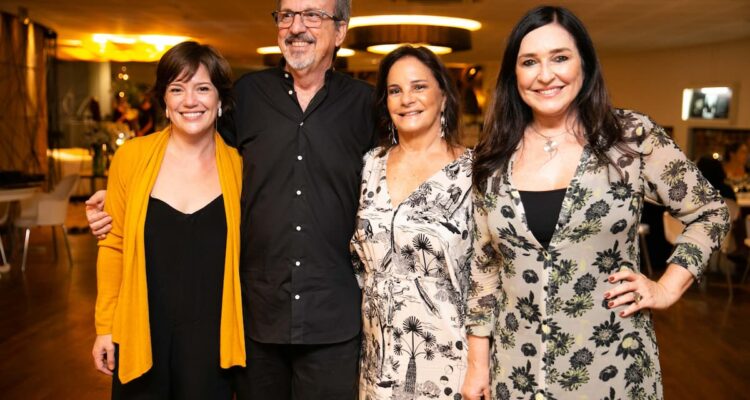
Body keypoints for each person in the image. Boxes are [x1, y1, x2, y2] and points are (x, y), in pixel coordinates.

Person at [88, 0, 372, 398]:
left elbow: (394, 177)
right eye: (287, 15)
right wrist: (118, 202)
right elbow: (120, 237)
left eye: (312, 15)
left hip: (311, 320)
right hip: (235, 322)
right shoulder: (250, 96)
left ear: (340, 31)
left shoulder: (365, 105)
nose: (296, 26)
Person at [461, 6, 729, 400]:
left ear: (584, 64)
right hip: (517, 371)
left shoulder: (630, 138)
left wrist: (667, 288)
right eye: (529, 62)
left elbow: (710, 212)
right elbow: (484, 267)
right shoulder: (492, 156)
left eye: (560, 58)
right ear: (513, 74)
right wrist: (477, 366)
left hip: (612, 364)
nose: (545, 75)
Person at [90, 41, 245, 399]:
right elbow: (113, 246)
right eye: (177, 89)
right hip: (141, 330)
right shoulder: (132, 158)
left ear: (220, 99)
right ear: (164, 100)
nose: (190, 101)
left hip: (212, 341)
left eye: (202, 88)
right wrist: (104, 327)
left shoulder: (240, 167)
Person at [351, 45, 472, 399]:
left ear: (444, 97)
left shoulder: (474, 173)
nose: (406, 99)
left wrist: (481, 364)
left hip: (449, 358)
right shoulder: (368, 166)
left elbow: (490, 273)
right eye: (395, 90)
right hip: (378, 360)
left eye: (419, 87)